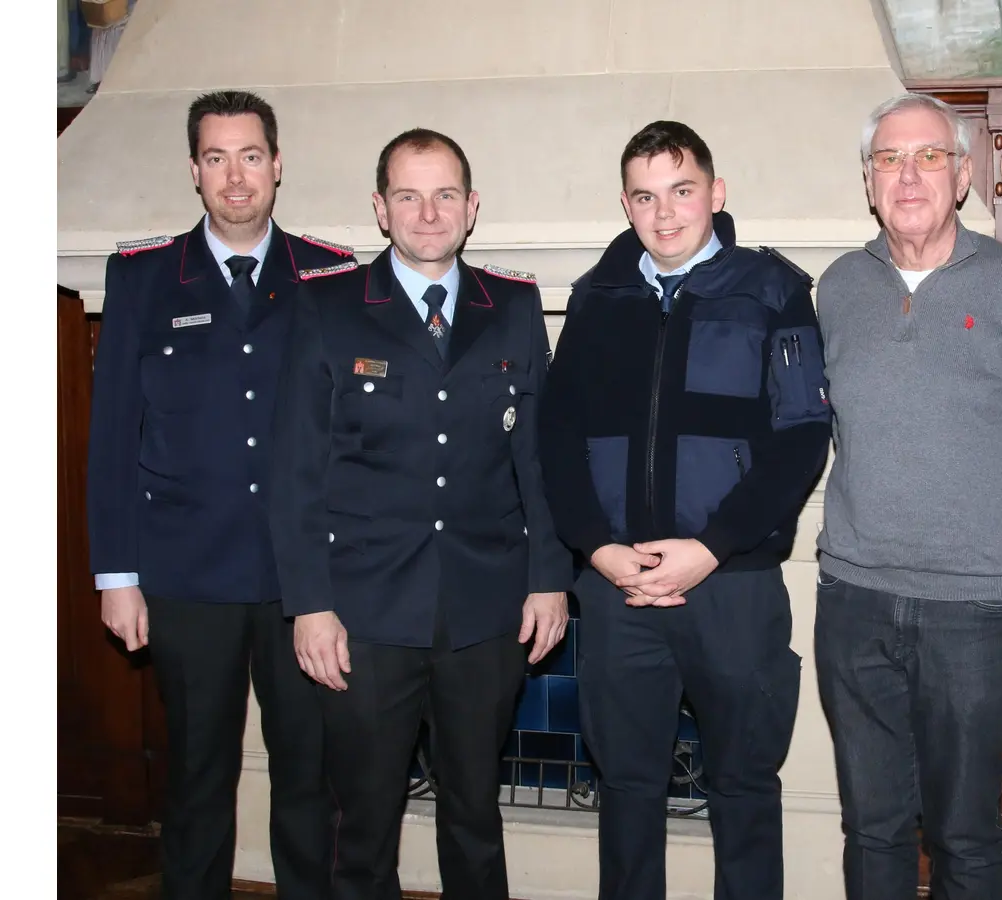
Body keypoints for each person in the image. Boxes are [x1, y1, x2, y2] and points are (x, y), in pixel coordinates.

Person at [267, 128, 571, 900]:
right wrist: (309, 605)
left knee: (474, 819)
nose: (427, 213)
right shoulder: (327, 306)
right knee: (363, 828)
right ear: (380, 207)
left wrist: (549, 579)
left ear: (472, 208)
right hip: (363, 618)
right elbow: (294, 472)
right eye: (408, 195)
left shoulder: (512, 304)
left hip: (485, 614)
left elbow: (535, 458)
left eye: (444, 196)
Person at [537, 120, 831, 900]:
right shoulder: (596, 298)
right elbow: (557, 437)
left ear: (716, 193)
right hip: (616, 587)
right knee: (627, 790)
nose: (663, 213)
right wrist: (596, 548)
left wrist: (712, 548)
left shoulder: (773, 290)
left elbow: (802, 440)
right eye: (644, 196)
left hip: (731, 586)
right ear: (626, 203)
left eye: (682, 191)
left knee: (742, 787)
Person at [812, 92, 1002, 900]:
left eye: (929, 156)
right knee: (871, 829)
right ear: (868, 181)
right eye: (888, 159)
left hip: (975, 612)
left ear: (963, 175)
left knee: (965, 834)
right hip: (854, 601)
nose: (908, 175)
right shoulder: (838, 288)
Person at [88, 89, 351, 900]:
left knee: (309, 782)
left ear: (277, 165)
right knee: (198, 782)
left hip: (299, 581)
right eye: (215, 158)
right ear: (193, 171)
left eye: (249, 157)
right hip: (184, 577)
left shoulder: (331, 272)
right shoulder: (141, 277)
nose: (234, 178)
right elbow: (112, 437)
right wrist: (116, 576)